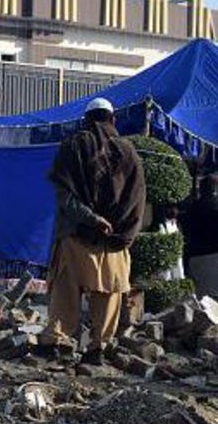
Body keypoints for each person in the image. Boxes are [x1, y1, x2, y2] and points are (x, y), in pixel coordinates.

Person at [37, 98, 146, 365]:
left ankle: (56, 342)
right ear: (113, 120)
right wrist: (121, 231)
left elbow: (65, 196)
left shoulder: (73, 146)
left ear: (86, 120)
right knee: (108, 295)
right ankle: (99, 348)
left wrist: (91, 219)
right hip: (114, 240)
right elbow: (137, 199)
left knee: (65, 291)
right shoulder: (129, 151)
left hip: (76, 236)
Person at [184, 176, 218, 308]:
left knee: (200, 299)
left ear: (200, 189)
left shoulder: (192, 206)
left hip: (196, 256)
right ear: (216, 188)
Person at [157, 205, 185, 281]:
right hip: (167, 256)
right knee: (167, 275)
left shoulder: (177, 225)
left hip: (176, 254)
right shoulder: (162, 225)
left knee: (178, 272)